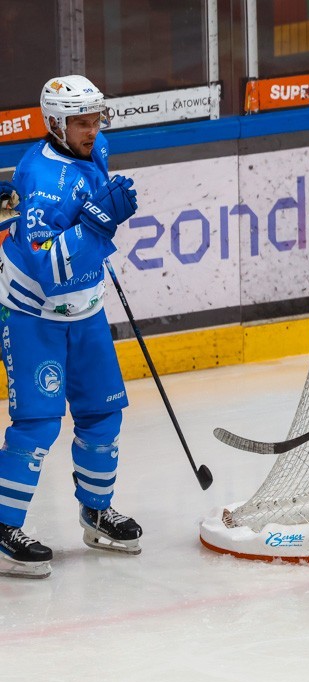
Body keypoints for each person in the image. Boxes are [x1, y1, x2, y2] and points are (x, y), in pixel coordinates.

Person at [0, 75, 142, 580]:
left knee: (103, 414)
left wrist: (98, 212)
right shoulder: (40, 180)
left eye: (95, 118)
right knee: (37, 423)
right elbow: (50, 270)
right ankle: (4, 527)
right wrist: (100, 223)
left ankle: (96, 512)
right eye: (81, 122)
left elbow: (87, 206)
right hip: (33, 314)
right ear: (56, 124)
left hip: (86, 310)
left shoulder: (96, 147)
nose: (92, 129)